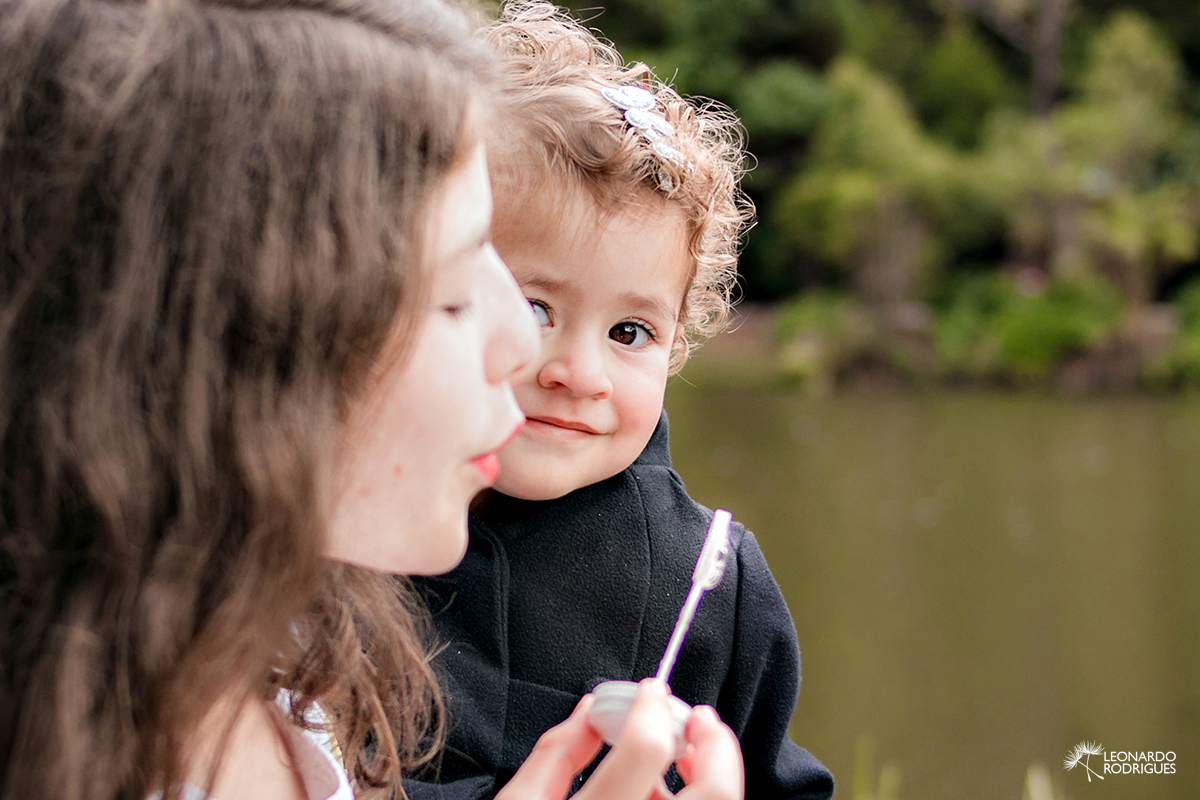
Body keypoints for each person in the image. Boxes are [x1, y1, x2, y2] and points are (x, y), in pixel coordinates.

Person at [0, 1, 745, 799]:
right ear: (242, 342)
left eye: (631, 331)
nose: (535, 353)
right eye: (457, 288)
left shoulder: (280, 655)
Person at [406, 2, 835, 798]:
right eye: (536, 308)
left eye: (630, 332)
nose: (579, 373)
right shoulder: (356, 525)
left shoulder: (707, 578)